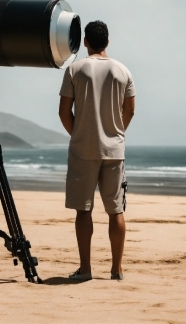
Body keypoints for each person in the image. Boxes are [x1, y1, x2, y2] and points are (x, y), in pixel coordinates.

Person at [58, 20, 136, 282]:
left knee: (84, 210)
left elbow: (63, 112)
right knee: (116, 211)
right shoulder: (123, 70)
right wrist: (116, 133)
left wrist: (81, 134)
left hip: (84, 148)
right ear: (108, 42)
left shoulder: (75, 69)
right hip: (114, 149)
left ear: (85, 42)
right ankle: (116, 269)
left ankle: (85, 269)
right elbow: (130, 110)